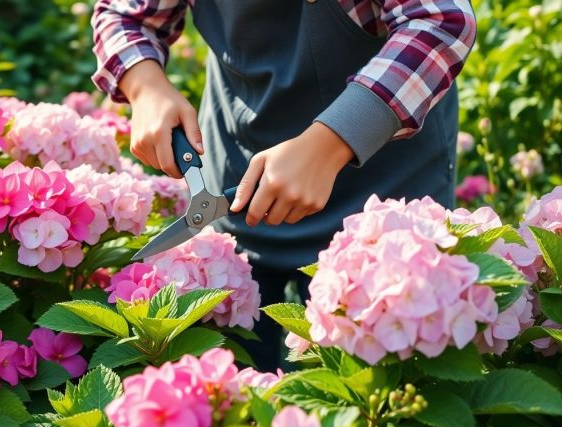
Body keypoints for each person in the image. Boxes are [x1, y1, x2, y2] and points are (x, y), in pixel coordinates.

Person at [91, 0, 477, 372]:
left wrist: (331, 142)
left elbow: (439, 20)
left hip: (384, 191)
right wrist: (144, 85)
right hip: (239, 183)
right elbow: (124, 13)